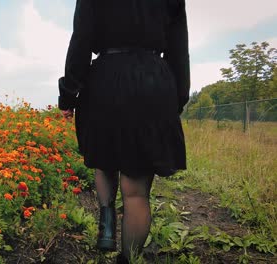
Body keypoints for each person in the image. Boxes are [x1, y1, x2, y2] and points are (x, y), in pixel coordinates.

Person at [58, 0, 190, 262]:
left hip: (105, 79)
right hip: (152, 81)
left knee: (104, 158)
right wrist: (178, 96)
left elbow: (81, 41)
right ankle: (128, 259)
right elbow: (179, 48)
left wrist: (68, 94)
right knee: (136, 191)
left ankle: (106, 219)